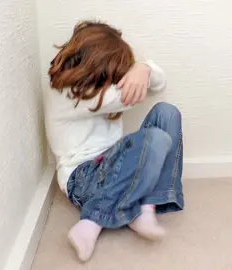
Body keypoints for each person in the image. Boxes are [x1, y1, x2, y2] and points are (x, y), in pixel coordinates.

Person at [44, 21, 184, 262]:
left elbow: (159, 82)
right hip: (82, 178)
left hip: (111, 163)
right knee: (155, 138)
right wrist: (142, 69)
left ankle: (146, 206)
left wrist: (142, 68)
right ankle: (93, 219)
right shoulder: (68, 94)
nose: (120, 75)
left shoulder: (99, 88)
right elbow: (136, 91)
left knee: (167, 113)